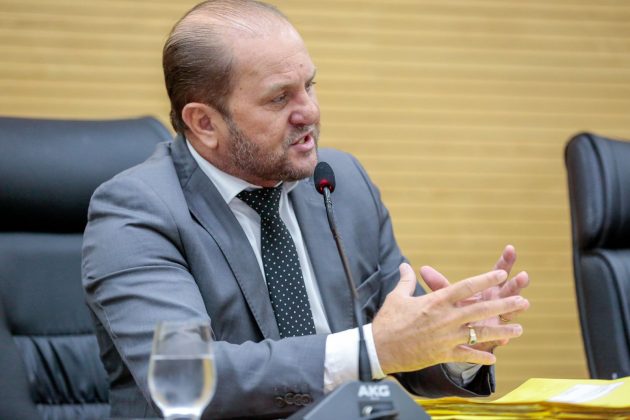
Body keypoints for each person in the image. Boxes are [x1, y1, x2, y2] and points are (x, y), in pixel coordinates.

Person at [82, 1, 530, 418]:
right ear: (204, 123)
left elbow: (398, 342)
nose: (309, 112)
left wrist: (458, 335)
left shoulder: (341, 182)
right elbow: (185, 377)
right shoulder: (136, 211)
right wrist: (368, 351)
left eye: (309, 86)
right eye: (279, 98)